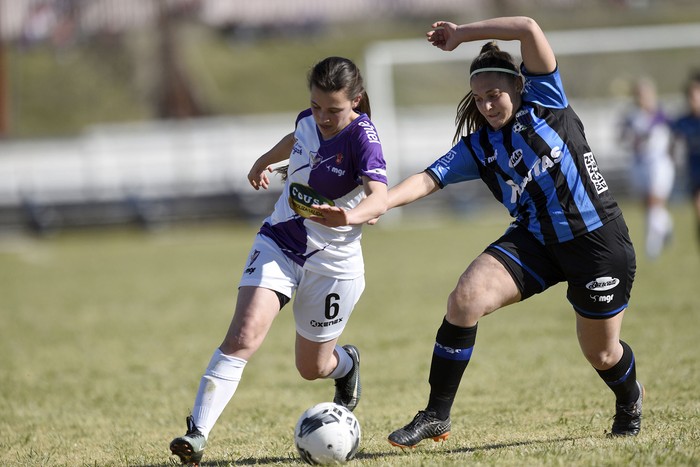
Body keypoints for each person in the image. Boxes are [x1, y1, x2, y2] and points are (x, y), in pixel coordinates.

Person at [379, 17, 643, 448]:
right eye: (479, 98)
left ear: (519, 87)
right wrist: (378, 205)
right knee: (465, 299)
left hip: (597, 241)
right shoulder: (479, 146)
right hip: (535, 239)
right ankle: (435, 416)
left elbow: (527, 27)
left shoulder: (547, 102)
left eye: (495, 95)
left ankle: (630, 400)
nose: (486, 106)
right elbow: (428, 178)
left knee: (601, 353)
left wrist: (462, 35)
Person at [169, 56, 388, 466]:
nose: (323, 116)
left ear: (355, 101)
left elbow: (379, 196)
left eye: (334, 110)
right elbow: (297, 137)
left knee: (313, 367)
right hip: (280, 240)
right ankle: (196, 434)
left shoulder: (364, 137)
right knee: (243, 335)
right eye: (317, 106)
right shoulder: (309, 119)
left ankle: (347, 364)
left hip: (334, 262)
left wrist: (351, 215)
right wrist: (264, 160)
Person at [619, 77, 675, 259]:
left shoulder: (660, 115)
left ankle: (652, 246)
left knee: (654, 201)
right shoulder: (632, 116)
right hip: (639, 165)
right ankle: (666, 227)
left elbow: (672, 136)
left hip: (659, 164)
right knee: (648, 205)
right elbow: (622, 137)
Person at [670, 71, 700, 248]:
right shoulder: (683, 121)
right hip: (695, 174)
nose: (693, 100)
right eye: (691, 97)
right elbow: (673, 140)